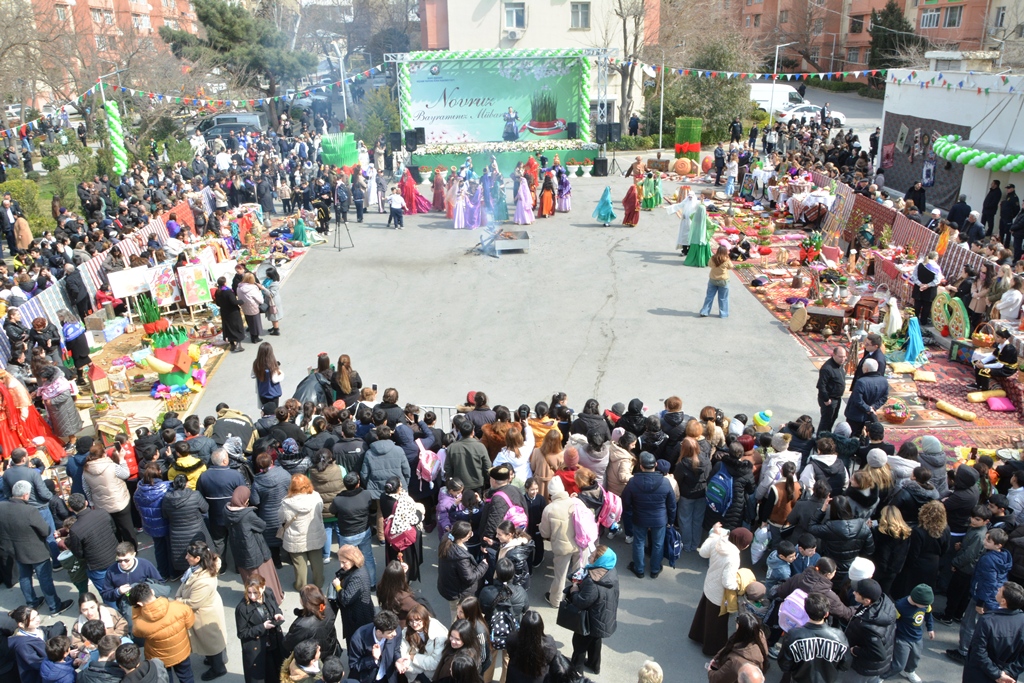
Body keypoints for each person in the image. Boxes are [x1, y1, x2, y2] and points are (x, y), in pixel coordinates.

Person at [0, 480, 73, 614]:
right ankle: (54, 606)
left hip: (15, 550)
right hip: (36, 551)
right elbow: (45, 531)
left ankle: (32, 602)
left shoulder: (2, 507)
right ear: (25, 495)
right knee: (44, 578)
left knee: (24, 577)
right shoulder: (30, 510)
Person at [948, 528, 1013, 665]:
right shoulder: (1005, 557)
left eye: (988, 540)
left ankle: (964, 652)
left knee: (969, 624)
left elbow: (988, 583)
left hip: (982, 597)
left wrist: (980, 602)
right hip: (994, 598)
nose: (984, 541)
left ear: (998, 545)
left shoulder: (988, 560)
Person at [689, 525, 753, 656]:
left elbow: (702, 552)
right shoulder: (734, 557)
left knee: (703, 613)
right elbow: (728, 582)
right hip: (719, 594)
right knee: (716, 624)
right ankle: (711, 649)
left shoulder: (718, 541)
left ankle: (697, 635)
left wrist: (713, 535)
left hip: (709, 584)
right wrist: (739, 585)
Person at [175, 540, 227, 681]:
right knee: (211, 641)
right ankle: (214, 660)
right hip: (208, 608)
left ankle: (218, 668)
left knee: (211, 642)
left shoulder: (203, 580)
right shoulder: (205, 565)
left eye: (189, 555)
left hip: (205, 614)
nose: (186, 557)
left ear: (198, 559)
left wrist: (177, 601)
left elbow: (193, 602)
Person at [225, 486, 284, 605]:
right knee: (264, 575)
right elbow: (262, 525)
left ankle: (252, 597)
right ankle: (271, 600)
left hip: (238, 549)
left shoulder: (226, 511)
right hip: (255, 549)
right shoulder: (247, 515)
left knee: (247, 576)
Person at [566, 545, 619, 676]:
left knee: (579, 646)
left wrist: (574, 591)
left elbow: (581, 602)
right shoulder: (610, 571)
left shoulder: (593, 582)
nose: (590, 555)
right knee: (595, 641)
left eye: (593, 555)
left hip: (590, 620)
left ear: (599, 561)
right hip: (603, 618)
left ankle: (576, 674)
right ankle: (594, 665)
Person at [622, 451, 675, 579]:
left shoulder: (633, 482)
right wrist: (671, 521)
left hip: (639, 517)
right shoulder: (665, 482)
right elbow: (672, 505)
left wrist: (629, 515)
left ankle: (639, 569)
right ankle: (655, 570)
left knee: (639, 542)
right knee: (658, 544)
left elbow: (625, 501)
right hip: (660, 519)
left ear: (641, 466)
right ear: (655, 465)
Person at [128, 581, 195, 683]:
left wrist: (136, 609)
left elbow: (136, 633)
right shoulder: (179, 606)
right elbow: (190, 623)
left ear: (139, 604)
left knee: (165, 678)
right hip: (181, 650)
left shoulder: (140, 624)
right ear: (152, 591)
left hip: (160, 657)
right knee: (186, 676)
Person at [777, 592, 850, 683]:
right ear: (826, 614)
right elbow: (845, 665)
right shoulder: (839, 636)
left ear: (806, 611)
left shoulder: (794, 635)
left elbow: (784, 664)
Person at [939, 506, 993, 624]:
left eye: (977, 519)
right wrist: (961, 547)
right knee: (962, 594)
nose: (973, 520)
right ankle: (957, 615)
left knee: (955, 593)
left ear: (986, 521)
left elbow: (969, 555)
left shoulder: (979, 535)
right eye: (972, 517)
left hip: (966, 569)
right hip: (967, 568)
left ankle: (947, 616)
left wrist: (955, 563)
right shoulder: (974, 529)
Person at [961, 581, 1024, 683]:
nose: (997, 589)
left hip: (980, 674)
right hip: (1007, 677)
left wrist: (997, 674)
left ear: (1003, 601)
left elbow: (978, 651)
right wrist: (1008, 672)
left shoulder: (988, 621)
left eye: (1000, 591)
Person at [81, 443, 136, 547]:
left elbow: (86, 488)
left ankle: (119, 552)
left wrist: (92, 502)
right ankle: (132, 551)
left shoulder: (86, 470)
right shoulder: (112, 466)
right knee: (127, 529)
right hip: (120, 502)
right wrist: (122, 459)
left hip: (101, 506)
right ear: (104, 454)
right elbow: (126, 474)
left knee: (113, 531)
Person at [161, 475, 214, 579]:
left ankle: (188, 575)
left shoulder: (167, 498)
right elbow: (205, 508)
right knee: (201, 552)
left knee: (183, 555)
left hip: (177, 533)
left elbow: (165, 515)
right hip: (196, 529)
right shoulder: (195, 495)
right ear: (187, 483)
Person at [280, 474, 327, 592]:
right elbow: (321, 510)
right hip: (315, 533)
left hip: (295, 537)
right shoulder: (316, 497)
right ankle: (319, 581)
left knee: (299, 564)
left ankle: (301, 586)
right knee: (317, 560)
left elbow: (281, 518)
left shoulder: (286, 502)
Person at [845, 579, 896, 683]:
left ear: (867, 600)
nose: (854, 592)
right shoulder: (883, 602)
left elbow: (879, 654)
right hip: (873, 668)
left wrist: (855, 650)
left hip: (864, 669)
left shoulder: (869, 626)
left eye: (857, 592)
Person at [235, 577, 286, 683]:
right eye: (249, 592)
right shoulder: (242, 608)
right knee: (263, 675)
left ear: (263, 588)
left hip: (274, 641)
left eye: (255, 592)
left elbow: (275, 607)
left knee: (278, 670)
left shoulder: (268, 592)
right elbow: (242, 633)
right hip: (258, 648)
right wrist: (262, 627)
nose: (252, 596)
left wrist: (278, 613)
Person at [438, 520, 489, 623]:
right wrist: (483, 565)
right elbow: (469, 578)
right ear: (462, 537)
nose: (471, 535)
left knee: (456, 612)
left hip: (449, 588)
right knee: (458, 617)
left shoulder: (447, 539)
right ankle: (457, 635)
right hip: (458, 594)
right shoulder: (460, 557)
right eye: (469, 534)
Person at [329, 473, 376, 583]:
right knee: (368, 557)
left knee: (347, 560)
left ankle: (350, 583)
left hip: (347, 535)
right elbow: (372, 508)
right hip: (364, 532)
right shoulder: (366, 494)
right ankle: (372, 582)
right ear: (358, 483)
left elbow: (332, 511)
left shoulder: (338, 500)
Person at [330, 544, 375, 650]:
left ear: (353, 560)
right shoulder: (356, 569)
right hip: (355, 615)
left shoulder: (358, 576)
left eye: (344, 562)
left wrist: (337, 587)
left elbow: (346, 599)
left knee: (357, 646)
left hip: (358, 618)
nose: (341, 565)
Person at [283, 585, 341, 660]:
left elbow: (287, 644)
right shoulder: (328, 606)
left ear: (304, 602)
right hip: (330, 649)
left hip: (314, 658)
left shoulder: (302, 625)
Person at [707, 614, 769, 683]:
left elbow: (717, 679)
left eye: (738, 620)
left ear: (741, 628)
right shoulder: (760, 635)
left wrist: (710, 670)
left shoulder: (735, 662)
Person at [504, 610, 557, 683]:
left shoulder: (512, 639)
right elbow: (551, 660)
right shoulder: (549, 644)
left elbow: (510, 653)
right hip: (539, 678)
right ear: (541, 627)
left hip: (515, 677)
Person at [397, 603, 446, 682]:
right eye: (411, 621)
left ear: (425, 619)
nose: (414, 624)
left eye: (418, 620)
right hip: (414, 672)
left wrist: (413, 657)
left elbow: (435, 663)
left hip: (433, 675)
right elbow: (404, 656)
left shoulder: (438, 634)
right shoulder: (406, 632)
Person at [348, 610, 401, 683]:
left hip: (387, 677)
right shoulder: (358, 638)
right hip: (368, 679)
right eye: (390, 632)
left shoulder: (395, 628)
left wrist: (398, 659)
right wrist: (373, 659)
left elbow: (396, 649)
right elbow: (353, 665)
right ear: (379, 632)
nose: (395, 634)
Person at [844, 358, 888, 438]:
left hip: (856, 415)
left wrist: (868, 408)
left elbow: (857, 399)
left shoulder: (861, 382)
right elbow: (884, 398)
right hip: (870, 416)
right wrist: (873, 407)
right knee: (865, 436)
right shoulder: (884, 381)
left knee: (852, 435)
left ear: (866, 369)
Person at [816, 346, 847, 433]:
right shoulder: (827, 368)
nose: (843, 359)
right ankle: (820, 438)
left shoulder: (840, 365)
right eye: (840, 357)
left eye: (844, 356)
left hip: (837, 398)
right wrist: (826, 399)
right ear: (834, 355)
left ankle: (827, 435)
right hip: (829, 399)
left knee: (833, 417)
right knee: (826, 421)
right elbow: (821, 385)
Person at [699, 246, 732, 318]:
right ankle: (723, 314)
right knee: (723, 298)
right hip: (723, 281)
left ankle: (705, 311)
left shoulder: (713, 258)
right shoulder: (726, 260)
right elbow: (731, 267)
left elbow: (709, 265)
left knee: (709, 296)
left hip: (713, 280)